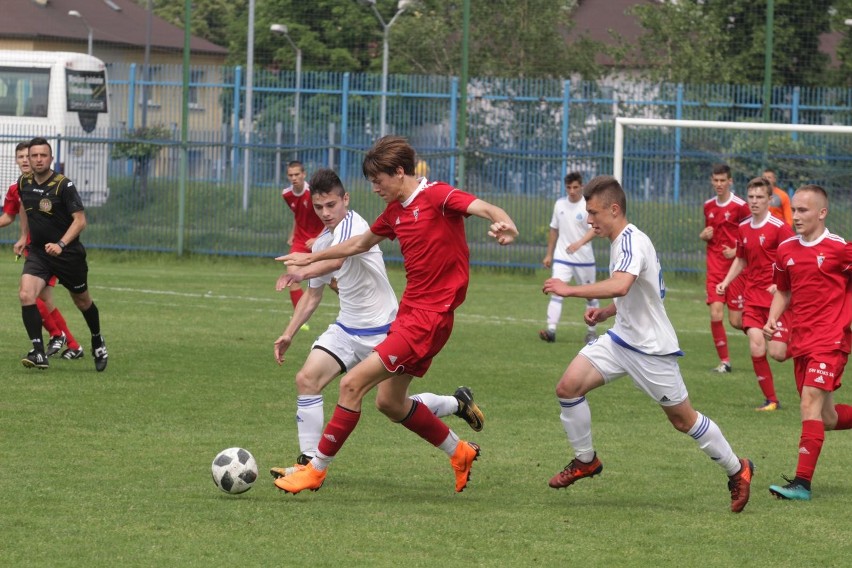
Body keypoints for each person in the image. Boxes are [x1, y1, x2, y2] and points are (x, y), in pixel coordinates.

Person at [273, 135, 518, 495]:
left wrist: (504, 224)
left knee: (350, 384)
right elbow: (359, 244)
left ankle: (315, 470)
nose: (374, 188)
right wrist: (309, 258)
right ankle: (459, 451)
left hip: (429, 319)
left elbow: (485, 208)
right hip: (409, 313)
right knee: (389, 402)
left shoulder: (436, 196)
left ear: (399, 172)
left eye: (378, 180)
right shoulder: (395, 212)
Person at [544, 175, 753, 513]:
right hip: (620, 340)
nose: (589, 219)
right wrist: (609, 312)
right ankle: (586, 460)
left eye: (594, 212)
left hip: (651, 350)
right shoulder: (624, 240)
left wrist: (569, 290)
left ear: (614, 209)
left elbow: (622, 284)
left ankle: (737, 469)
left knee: (683, 421)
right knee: (568, 388)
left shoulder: (630, 241)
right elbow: (644, 290)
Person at [764, 185, 852, 501]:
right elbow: (784, 291)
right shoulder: (786, 250)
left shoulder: (839, 249)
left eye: (803, 210)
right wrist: (773, 318)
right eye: (795, 210)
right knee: (824, 418)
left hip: (831, 339)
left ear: (822, 213)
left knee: (809, 402)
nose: (796, 216)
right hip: (802, 341)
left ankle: (801, 484)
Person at [17, 137, 107, 371]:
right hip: (38, 253)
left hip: (67, 255)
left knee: (82, 301)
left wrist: (61, 244)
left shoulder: (63, 186)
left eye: (43, 155)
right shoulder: (23, 182)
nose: (38, 159)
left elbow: (80, 221)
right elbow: (25, 208)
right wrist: (22, 235)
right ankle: (39, 353)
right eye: (34, 155)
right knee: (27, 294)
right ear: (29, 158)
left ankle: (97, 339)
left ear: (51, 158)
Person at [715, 177, 795, 411]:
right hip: (752, 297)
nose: (754, 201)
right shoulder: (743, 227)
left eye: (760, 197)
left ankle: (803, 343)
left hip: (776, 300)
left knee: (778, 353)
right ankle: (771, 400)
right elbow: (741, 258)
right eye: (751, 197)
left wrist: (781, 283)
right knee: (756, 346)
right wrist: (726, 281)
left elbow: (794, 258)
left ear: (770, 200)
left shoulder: (780, 228)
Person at [1, 141, 84, 360]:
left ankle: (59, 336)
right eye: (21, 157)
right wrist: (22, 236)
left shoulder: (52, 185)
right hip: (35, 249)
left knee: (33, 296)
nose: (26, 161)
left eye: (27, 157)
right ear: (17, 160)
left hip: (53, 249)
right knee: (39, 298)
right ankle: (70, 343)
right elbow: (13, 215)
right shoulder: (18, 187)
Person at [701, 163, 750, 373]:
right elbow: (707, 232)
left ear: (730, 181)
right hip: (715, 268)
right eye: (716, 180)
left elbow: (750, 236)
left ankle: (769, 331)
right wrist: (703, 236)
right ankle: (725, 362)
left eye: (723, 180)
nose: (719, 184)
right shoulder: (708, 206)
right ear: (712, 181)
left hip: (736, 270)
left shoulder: (740, 206)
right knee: (716, 314)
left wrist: (737, 250)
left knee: (737, 321)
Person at [540, 172, 598, 344]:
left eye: (575, 187)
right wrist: (549, 254)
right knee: (556, 291)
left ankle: (591, 332)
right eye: (568, 187)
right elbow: (554, 229)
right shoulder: (559, 204)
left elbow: (595, 228)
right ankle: (551, 330)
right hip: (562, 257)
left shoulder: (588, 205)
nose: (572, 191)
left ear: (581, 186)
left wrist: (579, 243)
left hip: (584, 259)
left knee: (590, 295)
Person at [281, 160, 325, 319]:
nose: (294, 178)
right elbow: (298, 215)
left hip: (320, 240)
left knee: (334, 282)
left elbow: (327, 217)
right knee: (292, 277)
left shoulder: (313, 193)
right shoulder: (286, 194)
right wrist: (293, 234)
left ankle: (358, 309)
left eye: (297, 174)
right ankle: (301, 319)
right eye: (291, 175)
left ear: (304, 174)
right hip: (300, 241)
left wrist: (318, 238)